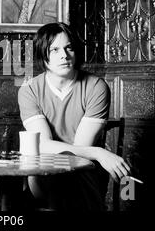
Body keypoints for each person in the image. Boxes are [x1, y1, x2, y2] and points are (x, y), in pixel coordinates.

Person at [17, 22, 131, 210]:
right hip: (43, 173)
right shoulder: (29, 90)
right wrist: (98, 153)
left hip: (81, 171)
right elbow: (43, 145)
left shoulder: (96, 87)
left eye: (68, 47)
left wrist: (91, 154)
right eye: (54, 50)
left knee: (76, 181)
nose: (64, 55)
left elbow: (80, 150)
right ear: (42, 55)